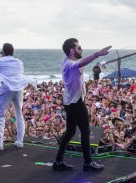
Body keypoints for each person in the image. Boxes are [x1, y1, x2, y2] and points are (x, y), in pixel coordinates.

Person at [53, 38, 111, 171]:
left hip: (70, 101)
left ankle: (58, 161)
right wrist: (97, 54)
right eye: (79, 48)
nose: (82, 49)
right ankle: (88, 162)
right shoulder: (69, 64)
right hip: (76, 102)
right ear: (72, 50)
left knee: (70, 131)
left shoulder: (66, 60)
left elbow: (81, 62)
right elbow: (80, 63)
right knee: (85, 131)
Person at [0, 43, 34, 150]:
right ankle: (19, 141)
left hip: (6, 88)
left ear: (3, 52)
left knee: (0, 114)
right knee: (19, 114)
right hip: (18, 88)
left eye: (1, 52)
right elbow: (17, 75)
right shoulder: (19, 62)